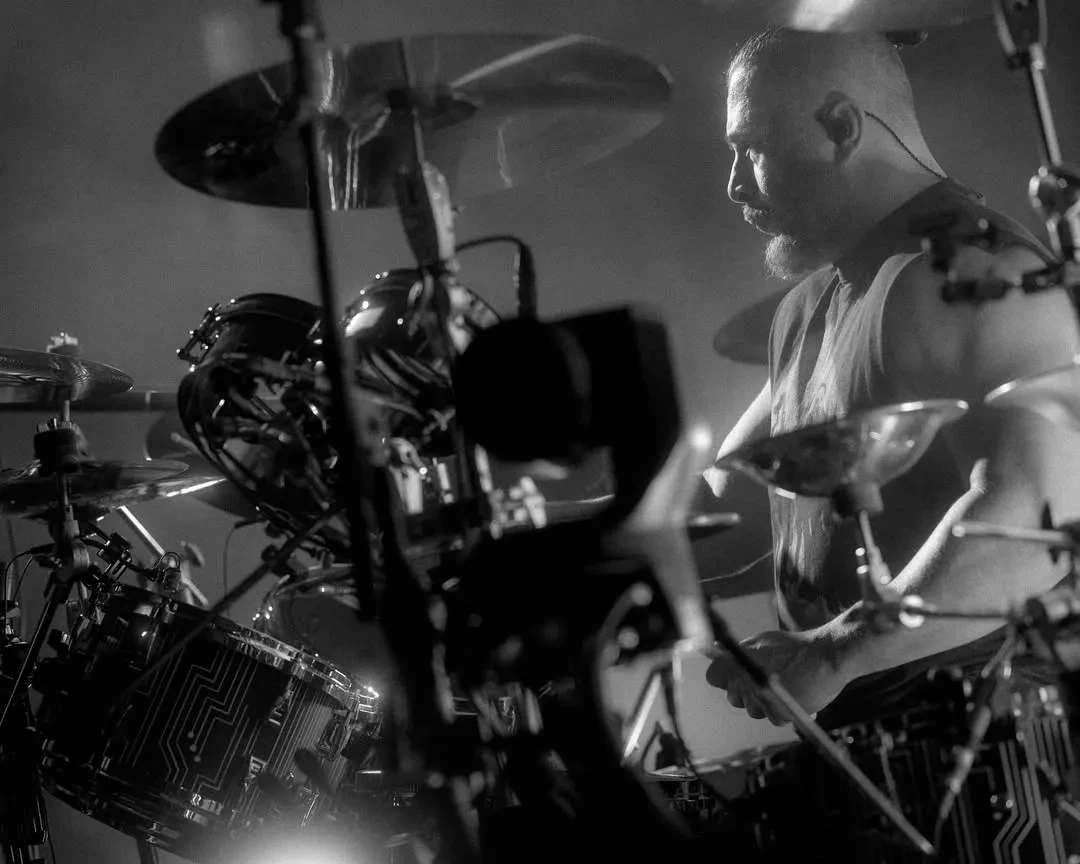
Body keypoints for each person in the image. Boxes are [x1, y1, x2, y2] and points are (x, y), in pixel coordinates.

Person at [702, 26, 1080, 730]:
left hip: (993, 754)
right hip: (862, 761)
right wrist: (545, 546)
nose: (734, 185)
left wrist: (835, 653)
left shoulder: (971, 274)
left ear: (840, 127)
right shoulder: (806, 308)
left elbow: (1034, 522)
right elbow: (730, 506)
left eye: (750, 147)